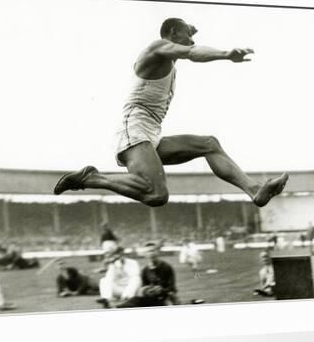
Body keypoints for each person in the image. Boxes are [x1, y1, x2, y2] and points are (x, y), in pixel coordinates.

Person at [54, 18, 288, 208]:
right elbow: (193, 52)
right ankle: (91, 178)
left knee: (209, 143)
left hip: (151, 132)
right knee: (156, 195)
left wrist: (189, 31)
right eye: (187, 34)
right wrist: (226, 54)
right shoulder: (156, 48)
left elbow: (188, 47)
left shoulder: (168, 56)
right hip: (134, 128)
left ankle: (255, 190)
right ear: (173, 33)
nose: (192, 40)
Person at [118, 241, 179, 308]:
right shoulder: (145, 270)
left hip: (163, 300)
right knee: (126, 305)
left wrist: (161, 290)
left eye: (153, 250)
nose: (151, 253)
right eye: (148, 251)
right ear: (145, 254)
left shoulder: (167, 267)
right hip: (149, 299)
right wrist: (146, 290)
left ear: (157, 252)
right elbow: (143, 288)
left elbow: (172, 289)